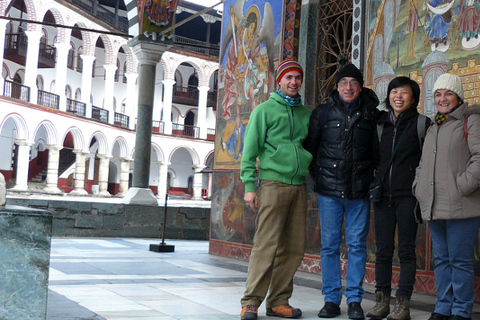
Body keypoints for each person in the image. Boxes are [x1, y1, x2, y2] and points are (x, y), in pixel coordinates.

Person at [304, 64, 379, 319]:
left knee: (357, 245)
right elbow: (310, 151)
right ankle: (332, 299)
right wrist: (322, 179)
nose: (348, 87)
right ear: (336, 86)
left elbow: (377, 154)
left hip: (359, 192)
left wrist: (369, 180)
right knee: (329, 246)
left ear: (361, 86)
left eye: (353, 83)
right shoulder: (322, 113)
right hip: (329, 194)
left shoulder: (371, 114)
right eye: (343, 82)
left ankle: (355, 299)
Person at [239, 60, 312, 320]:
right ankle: (250, 302)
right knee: (266, 245)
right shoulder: (264, 110)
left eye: (298, 78)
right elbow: (250, 150)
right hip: (272, 183)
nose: (294, 82)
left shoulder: (305, 113)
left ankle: (279, 301)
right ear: (279, 81)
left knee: (293, 247)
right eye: (289, 77)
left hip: (298, 185)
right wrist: (250, 186)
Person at [413, 73, 480, 320]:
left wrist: (462, 185)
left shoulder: (470, 121)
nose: (442, 98)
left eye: (448, 93)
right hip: (435, 205)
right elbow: (423, 163)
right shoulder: (434, 126)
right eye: (438, 94)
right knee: (441, 260)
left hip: (463, 206)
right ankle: (443, 307)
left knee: (460, 261)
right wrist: (419, 187)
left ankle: (461, 310)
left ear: (458, 96)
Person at [366, 77, 431, 320]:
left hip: (408, 198)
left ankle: (402, 304)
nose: (399, 97)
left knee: (406, 251)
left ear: (413, 98)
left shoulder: (422, 124)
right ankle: (381, 301)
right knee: (382, 251)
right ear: (389, 96)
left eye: (404, 92)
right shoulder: (381, 125)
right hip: (383, 197)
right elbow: (374, 158)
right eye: (395, 92)